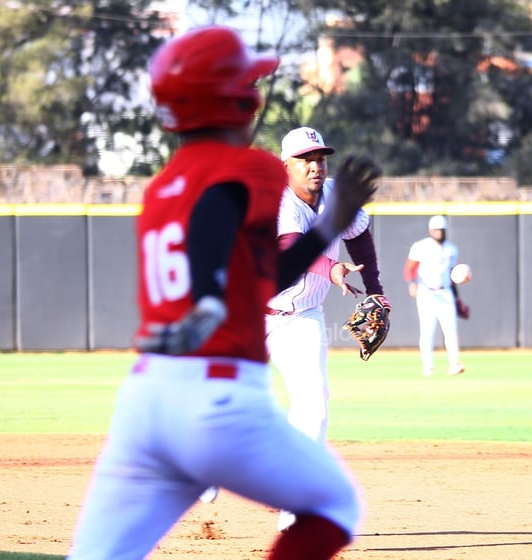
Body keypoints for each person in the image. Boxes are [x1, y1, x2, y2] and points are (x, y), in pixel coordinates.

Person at [66, 26, 382, 560]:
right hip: (217, 398)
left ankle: (201, 480)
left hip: (146, 401)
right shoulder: (252, 169)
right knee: (334, 507)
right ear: (235, 100)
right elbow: (271, 271)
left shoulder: (158, 189)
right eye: (245, 83)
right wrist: (331, 229)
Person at [265, 126, 390, 531]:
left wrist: (377, 291)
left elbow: (360, 238)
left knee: (315, 403)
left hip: (303, 317)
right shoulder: (279, 200)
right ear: (287, 165)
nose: (315, 166)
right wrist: (332, 268)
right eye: (305, 159)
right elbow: (290, 248)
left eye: (320, 158)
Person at [403, 215, 465, 376]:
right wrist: (412, 283)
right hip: (426, 292)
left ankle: (454, 364)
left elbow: (452, 275)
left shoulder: (451, 249)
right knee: (427, 331)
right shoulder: (421, 246)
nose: (439, 232)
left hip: (445, 292)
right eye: (436, 229)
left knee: (451, 330)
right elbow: (410, 268)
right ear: (431, 230)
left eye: (442, 229)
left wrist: (457, 297)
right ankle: (428, 366)